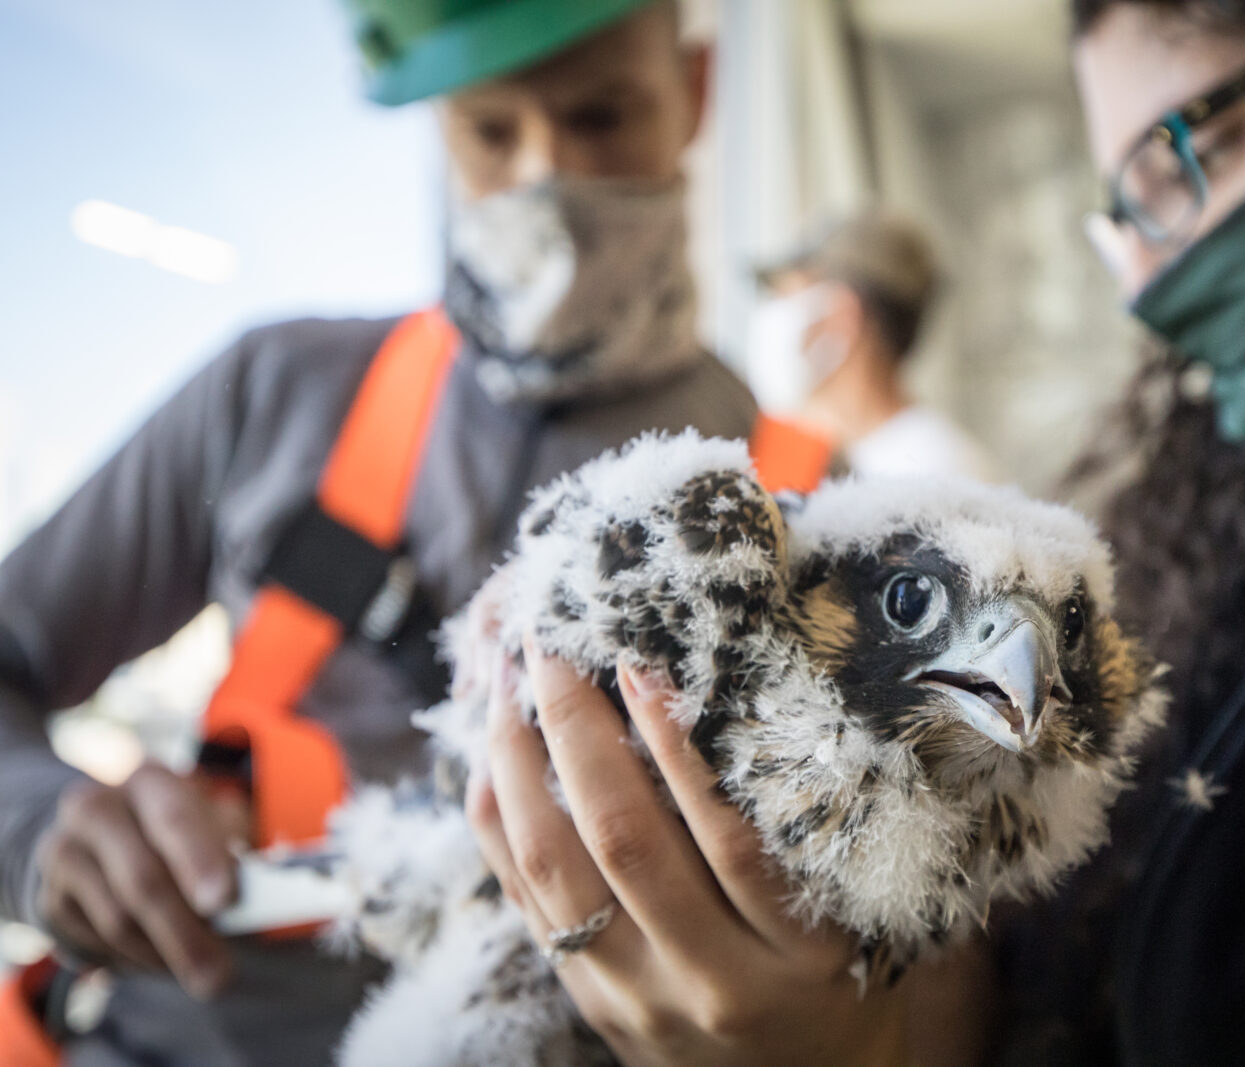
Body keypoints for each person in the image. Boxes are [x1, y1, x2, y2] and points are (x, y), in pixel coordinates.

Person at [466, 0, 1245, 1064]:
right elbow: (1061, 968)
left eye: (1183, 161)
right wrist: (879, 1003)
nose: (1149, 278)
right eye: (1127, 211)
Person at [0, 1, 761, 1063]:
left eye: (602, 116)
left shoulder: (799, 505)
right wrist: (41, 824)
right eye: (492, 132)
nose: (546, 175)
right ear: (440, 127)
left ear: (696, 92)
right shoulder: (275, 396)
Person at [747, 210, 999, 482]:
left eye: (787, 296)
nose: (772, 315)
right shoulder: (787, 451)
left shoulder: (941, 474)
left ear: (843, 315)